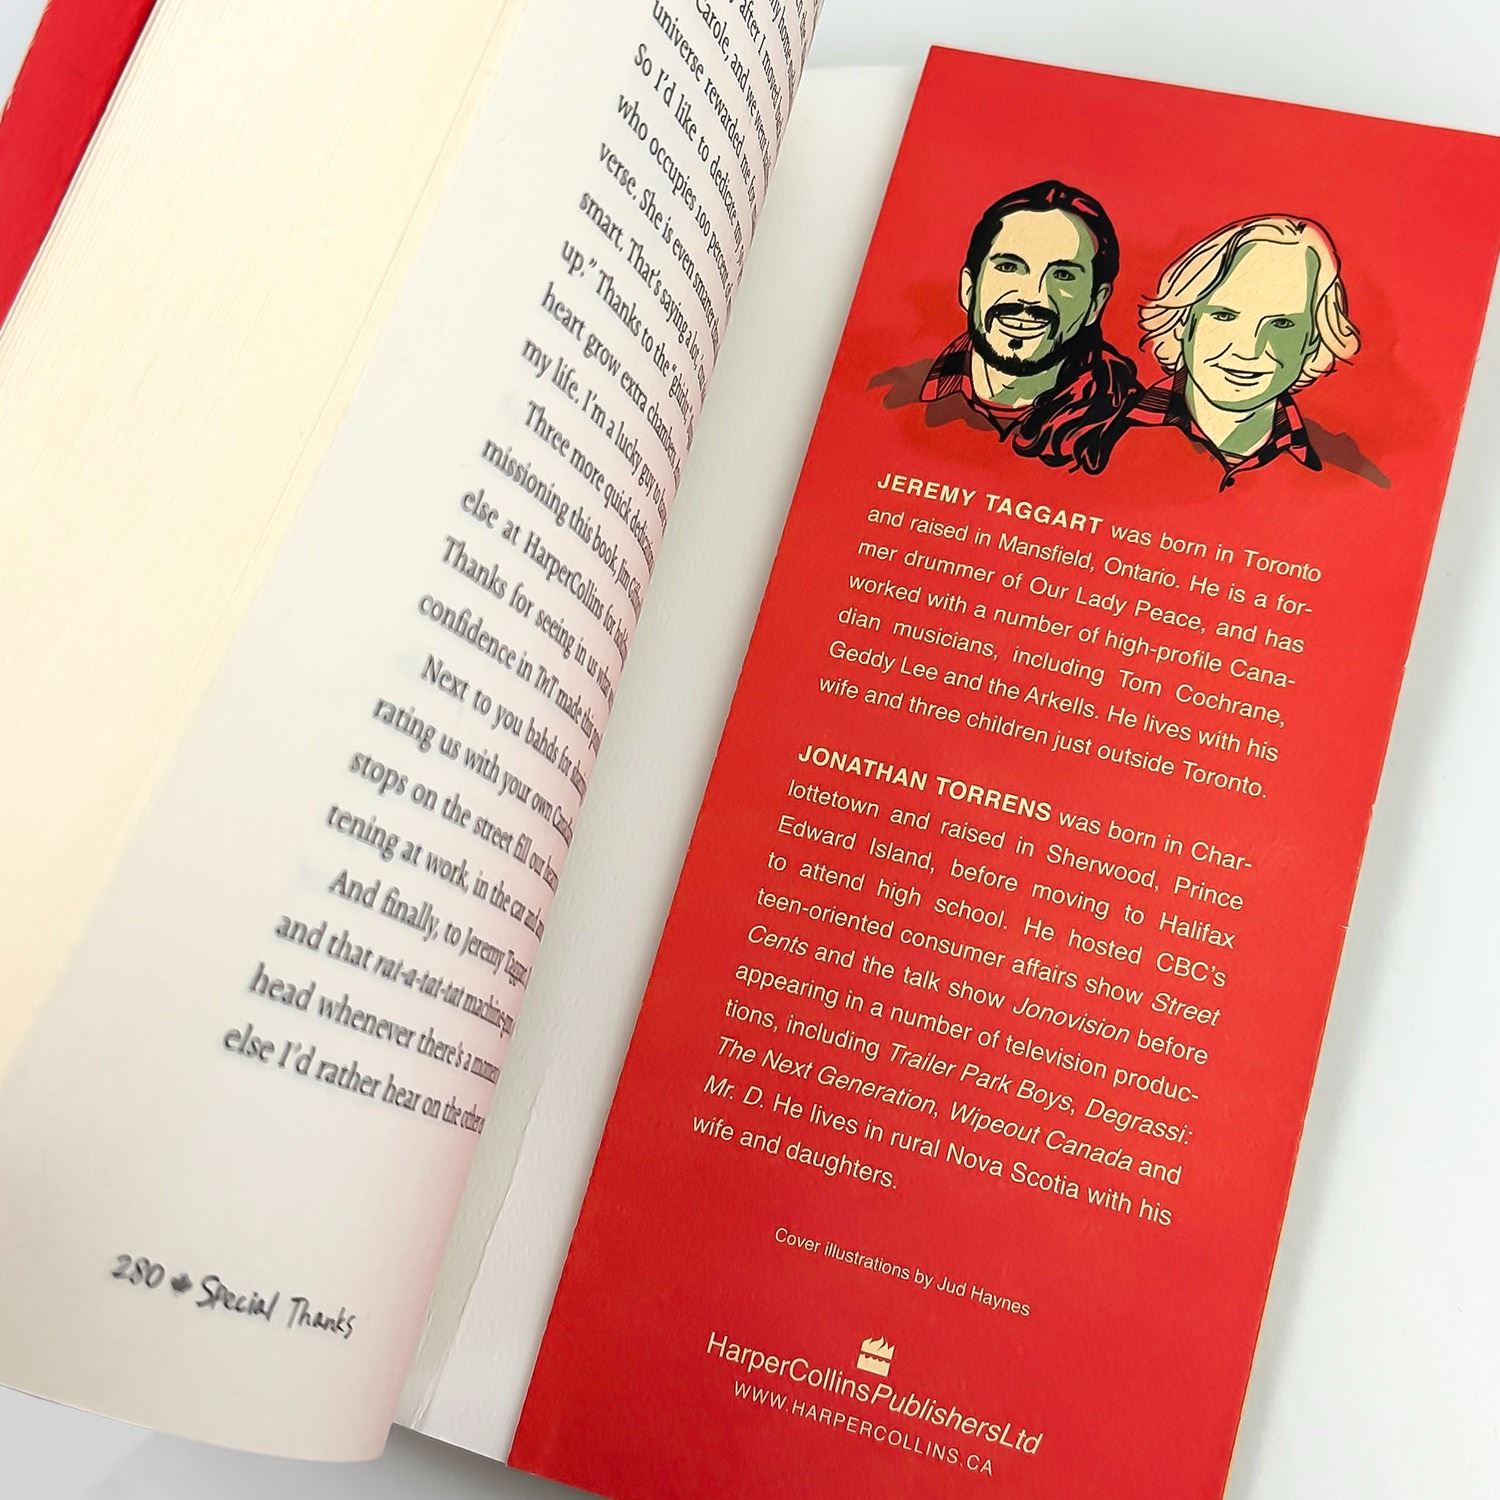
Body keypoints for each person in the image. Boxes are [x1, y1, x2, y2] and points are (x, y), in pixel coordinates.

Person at [870, 181, 1138, 473]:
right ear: (968, 288)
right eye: (1009, 267)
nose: (1033, 296)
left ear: (1096, 304)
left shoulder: (1132, 422)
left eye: (1062, 275)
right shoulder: (893, 394)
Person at [1129, 215, 1371, 487]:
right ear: (1183, 323)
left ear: (1313, 340)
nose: (1248, 350)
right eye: (1224, 316)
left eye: (1281, 324)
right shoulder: (1105, 438)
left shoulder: (1343, 471)